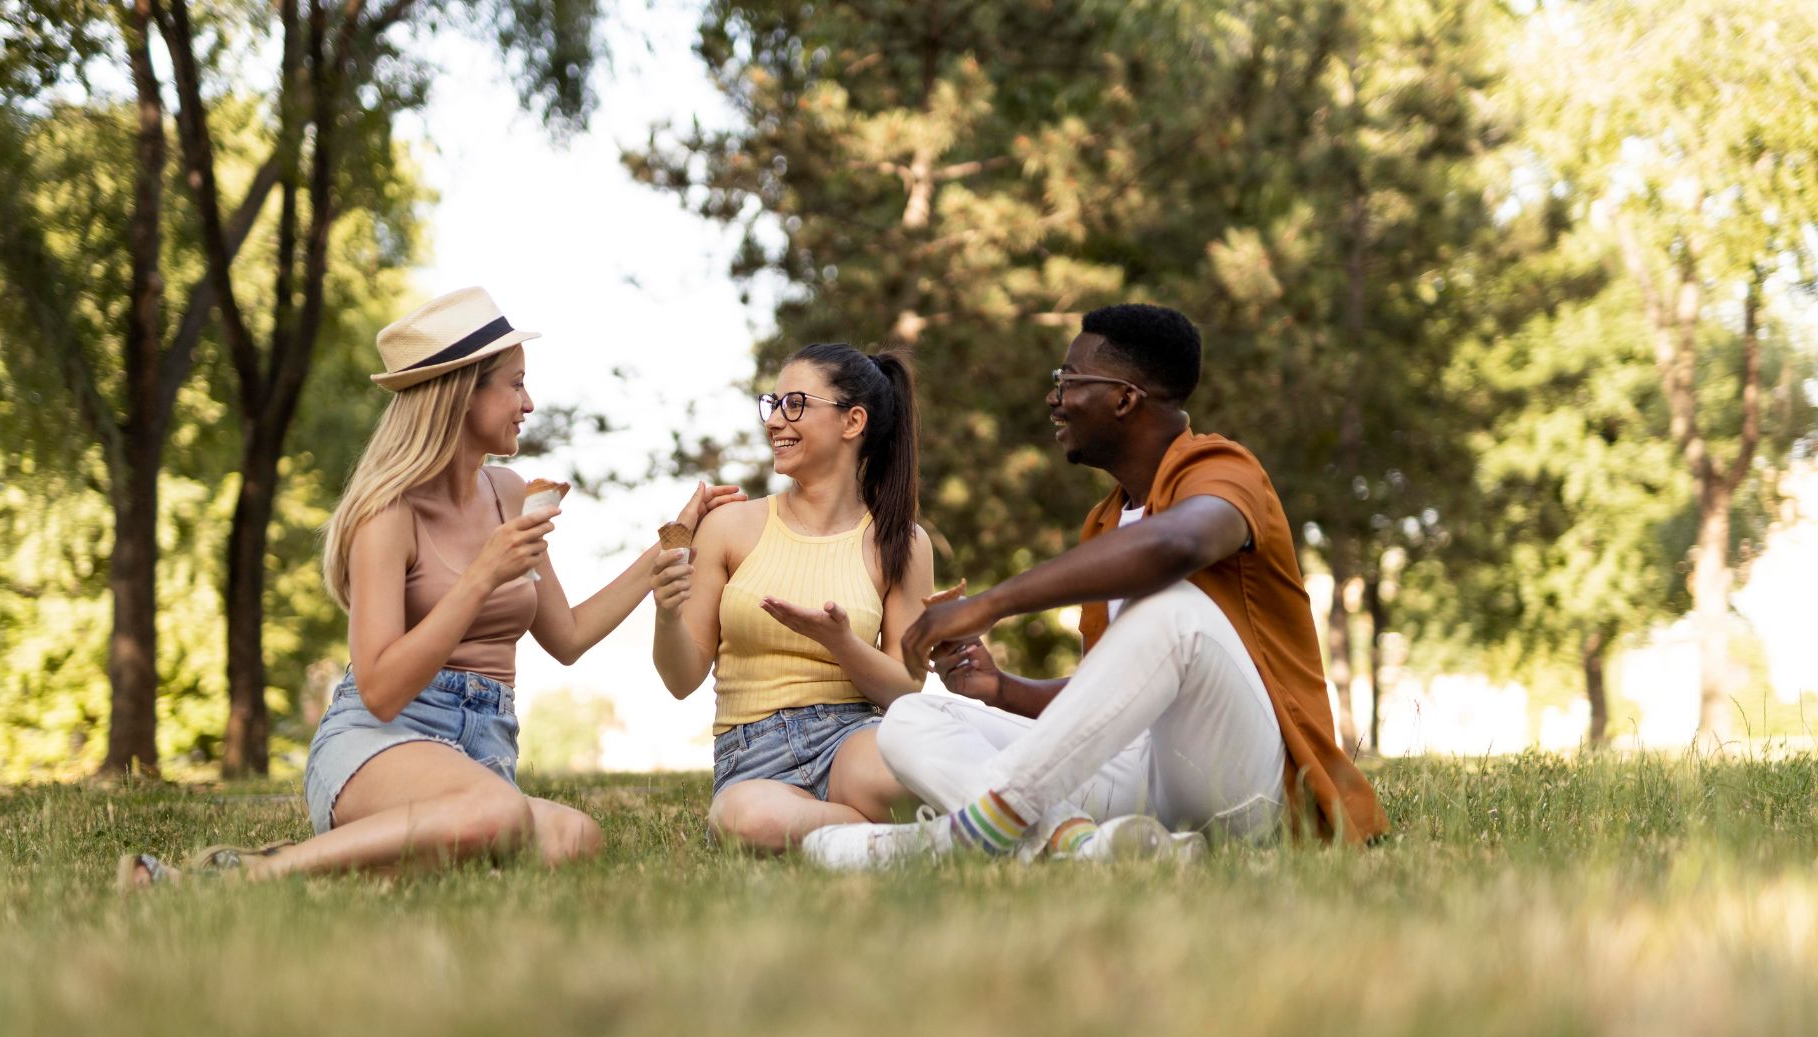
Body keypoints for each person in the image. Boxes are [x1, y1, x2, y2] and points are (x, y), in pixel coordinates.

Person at [119, 287, 741, 886]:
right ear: (460, 396)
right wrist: (480, 577)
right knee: (501, 817)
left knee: (575, 838)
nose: (529, 404)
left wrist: (673, 541)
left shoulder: (508, 496)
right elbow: (382, 691)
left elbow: (569, 636)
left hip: (482, 751)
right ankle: (251, 875)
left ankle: (350, 868)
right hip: (379, 743)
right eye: (516, 384)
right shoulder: (387, 516)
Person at [803, 303, 1388, 869]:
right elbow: (1114, 699)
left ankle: (956, 840)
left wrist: (994, 603)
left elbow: (1175, 548)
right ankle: (1074, 844)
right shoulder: (1106, 522)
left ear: (1124, 398)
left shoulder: (1222, 469)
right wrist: (1002, 688)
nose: (1054, 399)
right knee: (911, 719)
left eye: (1068, 380)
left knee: (1176, 608)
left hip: (1246, 788)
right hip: (1150, 789)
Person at [649, 344, 936, 852]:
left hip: (852, 738)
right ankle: (913, 839)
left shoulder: (904, 543)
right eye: (772, 404)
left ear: (853, 422)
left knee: (917, 779)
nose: (776, 420)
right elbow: (680, 679)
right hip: (752, 754)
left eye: (796, 403)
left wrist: (843, 643)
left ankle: (868, 832)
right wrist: (667, 615)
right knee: (743, 821)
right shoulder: (729, 526)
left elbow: (905, 692)